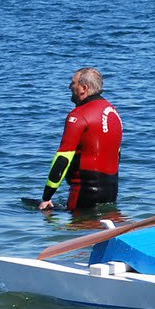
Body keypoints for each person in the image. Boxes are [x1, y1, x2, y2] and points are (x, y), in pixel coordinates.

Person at [39, 67, 122, 212]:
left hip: (84, 194)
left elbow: (63, 158)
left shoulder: (78, 115)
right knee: (104, 230)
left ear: (84, 88)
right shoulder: (113, 111)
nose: (70, 87)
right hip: (111, 192)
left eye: (73, 83)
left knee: (81, 232)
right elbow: (117, 153)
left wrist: (46, 197)